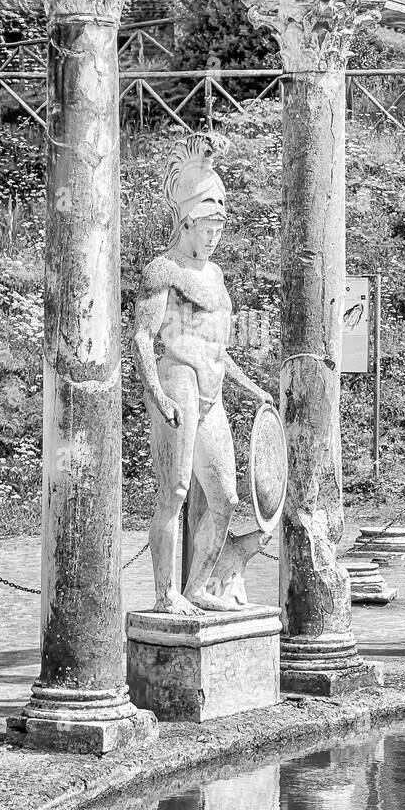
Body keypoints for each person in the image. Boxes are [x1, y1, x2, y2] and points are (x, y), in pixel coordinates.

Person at [132, 135, 273, 616]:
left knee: (227, 498)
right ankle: (163, 593)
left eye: (220, 227)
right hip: (178, 383)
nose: (214, 237)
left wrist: (253, 388)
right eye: (207, 228)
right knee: (173, 491)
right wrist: (156, 394)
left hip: (211, 390)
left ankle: (197, 587)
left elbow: (219, 350)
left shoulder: (215, 277)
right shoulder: (162, 270)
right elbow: (142, 339)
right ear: (186, 222)